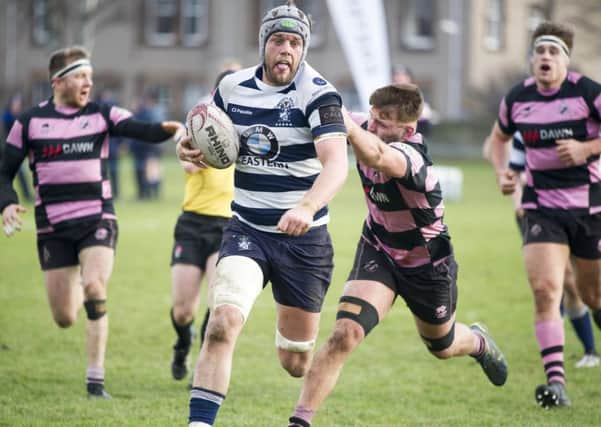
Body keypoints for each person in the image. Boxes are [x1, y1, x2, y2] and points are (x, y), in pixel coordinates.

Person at [287, 83, 508, 427]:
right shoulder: (366, 126)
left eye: (384, 122)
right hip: (379, 249)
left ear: (408, 129)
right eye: (373, 117)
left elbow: (376, 155)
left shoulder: (414, 159)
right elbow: (323, 111)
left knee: (442, 346)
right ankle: (299, 422)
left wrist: (346, 126)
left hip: (427, 266)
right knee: (344, 334)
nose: (373, 126)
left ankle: (478, 342)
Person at [176, 2, 348, 425]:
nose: (285, 49)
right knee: (222, 324)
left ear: (303, 48)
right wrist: (187, 146)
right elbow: (204, 134)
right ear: (263, 45)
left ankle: (291, 338)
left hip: (303, 241)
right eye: (277, 41)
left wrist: (307, 206)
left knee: (295, 362)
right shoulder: (233, 87)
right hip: (246, 230)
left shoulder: (319, 93)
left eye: (294, 42)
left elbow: (337, 163)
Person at [0, 46, 185, 398]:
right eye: (81, 76)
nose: (89, 82)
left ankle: (95, 381)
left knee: (96, 288)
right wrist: (7, 204)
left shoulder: (102, 114)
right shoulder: (28, 123)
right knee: (65, 317)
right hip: (53, 228)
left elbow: (140, 129)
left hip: (97, 218)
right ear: (59, 82)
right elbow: (3, 173)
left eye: (90, 76)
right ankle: (77, 281)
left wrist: (170, 128)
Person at [483, 21, 601, 408]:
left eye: (553, 52)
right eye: (539, 52)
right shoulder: (517, 98)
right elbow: (497, 141)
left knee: (592, 293)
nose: (545, 57)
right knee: (546, 290)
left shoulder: (587, 92)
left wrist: (587, 150)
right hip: (540, 207)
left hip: (589, 207)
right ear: (531, 59)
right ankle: (557, 385)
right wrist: (503, 172)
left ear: (565, 59)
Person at [485, 132, 600, 368]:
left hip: (577, 208)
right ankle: (583, 353)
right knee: (555, 284)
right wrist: (512, 189)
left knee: (584, 289)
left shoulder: (573, 115)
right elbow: (492, 147)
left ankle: (586, 349)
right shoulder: (519, 119)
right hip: (535, 211)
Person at [169, 67, 240, 382]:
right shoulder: (199, 122)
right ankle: (183, 343)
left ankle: (204, 366)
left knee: (217, 302)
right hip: (193, 222)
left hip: (228, 224)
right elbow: (188, 163)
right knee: (183, 309)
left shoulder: (250, 125)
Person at [2, 93, 32, 202]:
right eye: (15, 103)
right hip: (9, 150)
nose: (17, 106)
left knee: (22, 173)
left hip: (20, 149)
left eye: (18, 104)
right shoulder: (7, 117)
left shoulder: (20, 116)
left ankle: (27, 195)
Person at [391, 64, 437, 137]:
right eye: (397, 75)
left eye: (403, 75)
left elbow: (426, 120)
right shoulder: (385, 97)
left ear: (409, 79)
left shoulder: (417, 97)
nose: (399, 78)